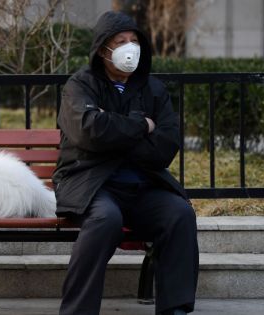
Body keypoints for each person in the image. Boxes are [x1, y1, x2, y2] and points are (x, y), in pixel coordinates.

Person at [52, 11, 199, 315]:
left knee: (180, 214)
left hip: (143, 186)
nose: (129, 48)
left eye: (134, 41)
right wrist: (140, 126)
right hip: (92, 184)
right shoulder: (81, 85)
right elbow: (89, 132)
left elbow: (166, 146)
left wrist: (114, 135)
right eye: (120, 42)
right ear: (103, 49)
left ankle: (176, 309)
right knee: (106, 219)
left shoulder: (153, 89)